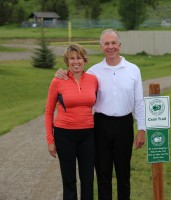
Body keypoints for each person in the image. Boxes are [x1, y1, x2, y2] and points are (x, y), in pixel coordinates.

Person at [56, 29, 146, 200]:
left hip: (124, 124)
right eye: (106, 43)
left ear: (119, 45)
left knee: (123, 174)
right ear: (101, 47)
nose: (110, 47)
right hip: (100, 125)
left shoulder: (133, 70)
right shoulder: (93, 72)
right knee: (103, 175)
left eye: (113, 43)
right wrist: (60, 72)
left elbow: (139, 102)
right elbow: (74, 77)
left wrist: (142, 128)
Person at [45, 44, 98, 200]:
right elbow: (48, 111)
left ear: (84, 60)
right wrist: (50, 139)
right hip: (64, 135)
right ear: (67, 61)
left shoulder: (93, 80)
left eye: (79, 58)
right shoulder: (57, 81)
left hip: (88, 134)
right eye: (72, 58)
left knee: (88, 178)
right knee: (69, 180)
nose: (76, 62)